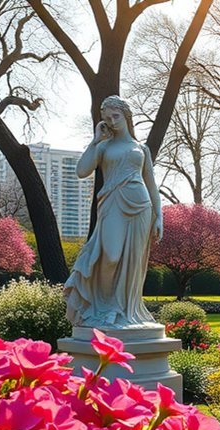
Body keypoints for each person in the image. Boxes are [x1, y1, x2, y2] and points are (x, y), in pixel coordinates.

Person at [64, 95, 162, 329]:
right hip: (112, 205)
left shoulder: (142, 149)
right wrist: (94, 141)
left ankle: (124, 310)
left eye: (116, 116)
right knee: (111, 256)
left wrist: (159, 216)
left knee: (134, 263)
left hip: (141, 208)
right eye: (107, 118)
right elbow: (81, 170)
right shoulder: (104, 146)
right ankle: (104, 307)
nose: (112, 121)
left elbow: (151, 184)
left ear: (127, 117)